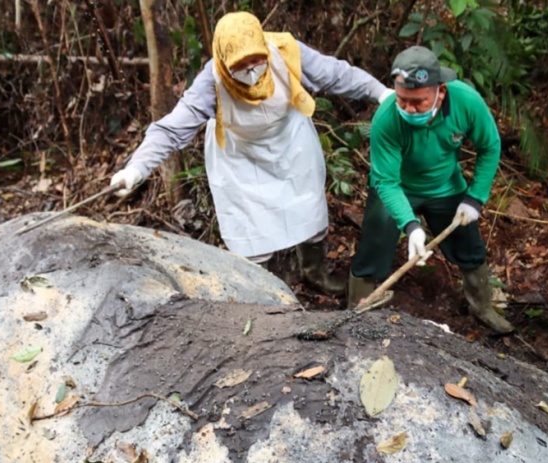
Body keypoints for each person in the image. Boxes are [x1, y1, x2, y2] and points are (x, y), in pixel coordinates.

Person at [109, 11, 393, 295]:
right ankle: (263, 292)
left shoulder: (286, 51)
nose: (251, 68)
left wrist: (381, 93)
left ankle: (314, 273)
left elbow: (337, 75)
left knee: (309, 210)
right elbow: (171, 129)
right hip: (240, 156)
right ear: (224, 61)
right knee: (250, 232)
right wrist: (136, 169)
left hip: (291, 142)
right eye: (240, 64)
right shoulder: (212, 81)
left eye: (256, 59)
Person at [347, 45, 512, 334]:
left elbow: (490, 146)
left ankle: (483, 306)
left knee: (468, 246)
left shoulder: (466, 102)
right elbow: (386, 181)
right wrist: (410, 225)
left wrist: (475, 198)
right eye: (402, 100)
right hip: (397, 188)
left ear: (440, 92)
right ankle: (355, 311)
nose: (408, 109)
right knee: (373, 247)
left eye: (418, 102)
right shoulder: (387, 118)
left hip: (445, 186)